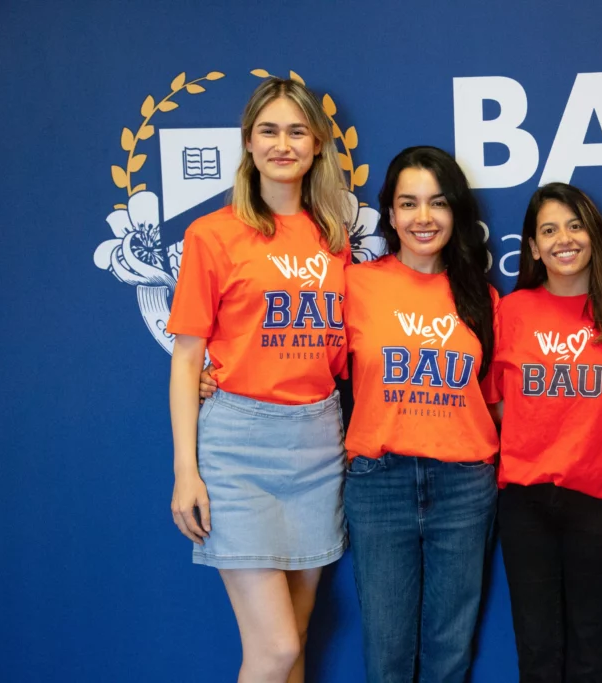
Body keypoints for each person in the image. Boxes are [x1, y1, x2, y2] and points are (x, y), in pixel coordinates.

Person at [167, 77, 352, 683]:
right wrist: (186, 471)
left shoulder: (334, 238)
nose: (282, 144)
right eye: (268, 131)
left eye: (297, 131)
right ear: (248, 142)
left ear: (317, 145)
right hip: (238, 448)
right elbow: (187, 359)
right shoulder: (211, 234)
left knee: (296, 637)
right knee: (273, 649)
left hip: (318, 441)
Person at [342, 146, 498, 683]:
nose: (423, 217)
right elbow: (306, 364)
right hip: (378, 484)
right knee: (386, 652)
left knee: (449, 652)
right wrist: (212, 373)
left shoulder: (482, 298)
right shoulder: (355, 285)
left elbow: (497, 399)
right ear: (390, 212)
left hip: (464, 487)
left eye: (438, 203)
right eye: (409, 203)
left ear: (456, 211)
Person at [489, 183, 602, 682]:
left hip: (601, 501)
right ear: (533, 247)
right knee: (536, 650)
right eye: (549, 230)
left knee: (593, 649)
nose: (564, 239)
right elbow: (496, 402)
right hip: (526, 502)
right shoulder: (511, 312)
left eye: (575, 226)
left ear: (595, 236)